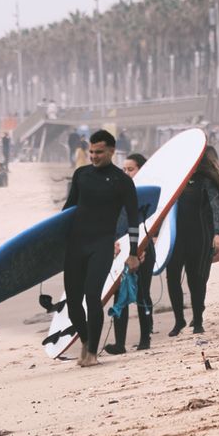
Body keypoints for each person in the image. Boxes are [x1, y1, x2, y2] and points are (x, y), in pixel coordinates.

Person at [62, 130, 141, 368]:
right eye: (91, 152)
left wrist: (134, 253)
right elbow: (67, 211)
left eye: (99, 152)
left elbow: (134, 219)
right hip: (76, 244)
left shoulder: (122, 181)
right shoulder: (81, 175)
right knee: (74, 302)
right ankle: (86, 342)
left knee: (92, 296)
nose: (94, 157)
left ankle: (93, 353)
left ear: (111, 151)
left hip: (102, 244)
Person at [166, 145, 219, 337]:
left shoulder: (206, 181)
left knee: (196, 279)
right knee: (173, 278)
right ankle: (179, 321)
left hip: (199, 236)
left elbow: (216, 207)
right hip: (176, 238)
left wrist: (218, 234)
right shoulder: (174, 181)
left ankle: (198, 321)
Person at [104, 153, 155, 355]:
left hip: (143, 247)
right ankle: (120, 344)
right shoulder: (118, 193)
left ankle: (145, 338)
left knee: (142, 292)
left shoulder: (150, 193)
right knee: (119, 296)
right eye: (123, 169)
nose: (126, 173)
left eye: (130, 169)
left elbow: (156, 221)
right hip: (122, 250)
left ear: (142, 169)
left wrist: (140, 248)